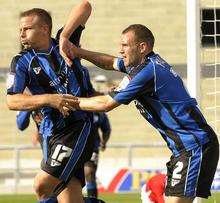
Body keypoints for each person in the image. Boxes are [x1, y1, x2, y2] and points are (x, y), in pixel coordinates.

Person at [59, 24, 219, 203]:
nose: (120, 50)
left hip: (195, 146)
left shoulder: (148, 72)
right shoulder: (144, 65)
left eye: (125, 45)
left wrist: (64, 101)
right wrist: (78, 52)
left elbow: (106, 104)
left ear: (142, 47)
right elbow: (110, 62)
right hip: (186, 147)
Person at [6, 1, 105, 203]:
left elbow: (84, 6)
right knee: (70, 200)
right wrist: (49, 99)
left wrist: (66, 37)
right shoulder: (22, 61)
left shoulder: (64, 43)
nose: (22, 33)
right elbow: (12, 101)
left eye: (27, 28)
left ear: (44, 28)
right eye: (20, 29)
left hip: (77, 128)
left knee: (42, 187)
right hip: (51, 133)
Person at [85, 112, 111, 198]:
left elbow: (106, 129)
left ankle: (92, 198)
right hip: (72, 146)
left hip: (92, 148)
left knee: (89, 172)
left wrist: (103, 142)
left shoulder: (99, 113)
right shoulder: (75, 109)